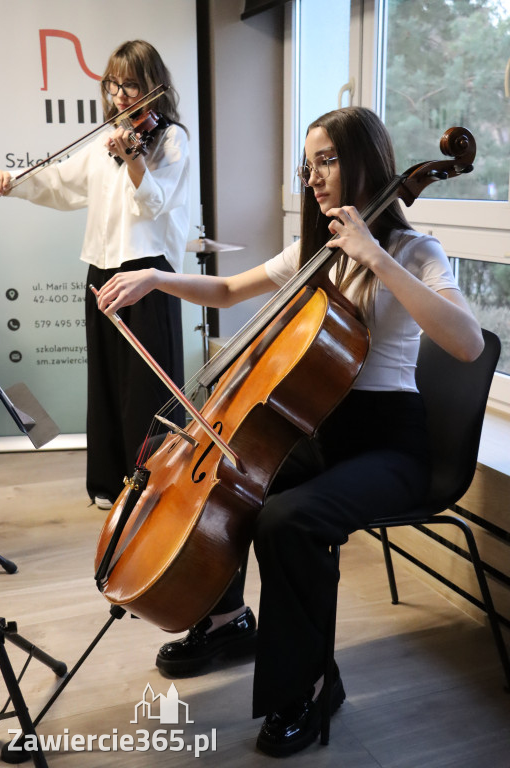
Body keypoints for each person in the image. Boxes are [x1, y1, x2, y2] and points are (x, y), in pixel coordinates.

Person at [96, 106, 484, 757]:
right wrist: (158, 278)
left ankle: (303, 687)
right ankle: (225, 621)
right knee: (232, 475)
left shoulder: (416, 251)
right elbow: (225, 289)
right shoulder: (314, 254)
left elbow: (469, 343)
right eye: (310, 164)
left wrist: (378, 258)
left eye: (328, 159)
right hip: (322, 431)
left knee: (288, 519)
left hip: (394, 445)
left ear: (367, 161)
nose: (315, 176)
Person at [0, 40, 189, 510]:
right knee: (105, 378)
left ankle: (155, 483)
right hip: (101, 272)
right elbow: (61, 183)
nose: (120, 94)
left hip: (148, 275)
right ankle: (111, 482)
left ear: (151, 85)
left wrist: (133, 159)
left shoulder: (169, 140)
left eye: (130, 84)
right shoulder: (109, 137)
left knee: (146, 385)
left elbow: (155, 204)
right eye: (113, 83)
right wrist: (12, 181)